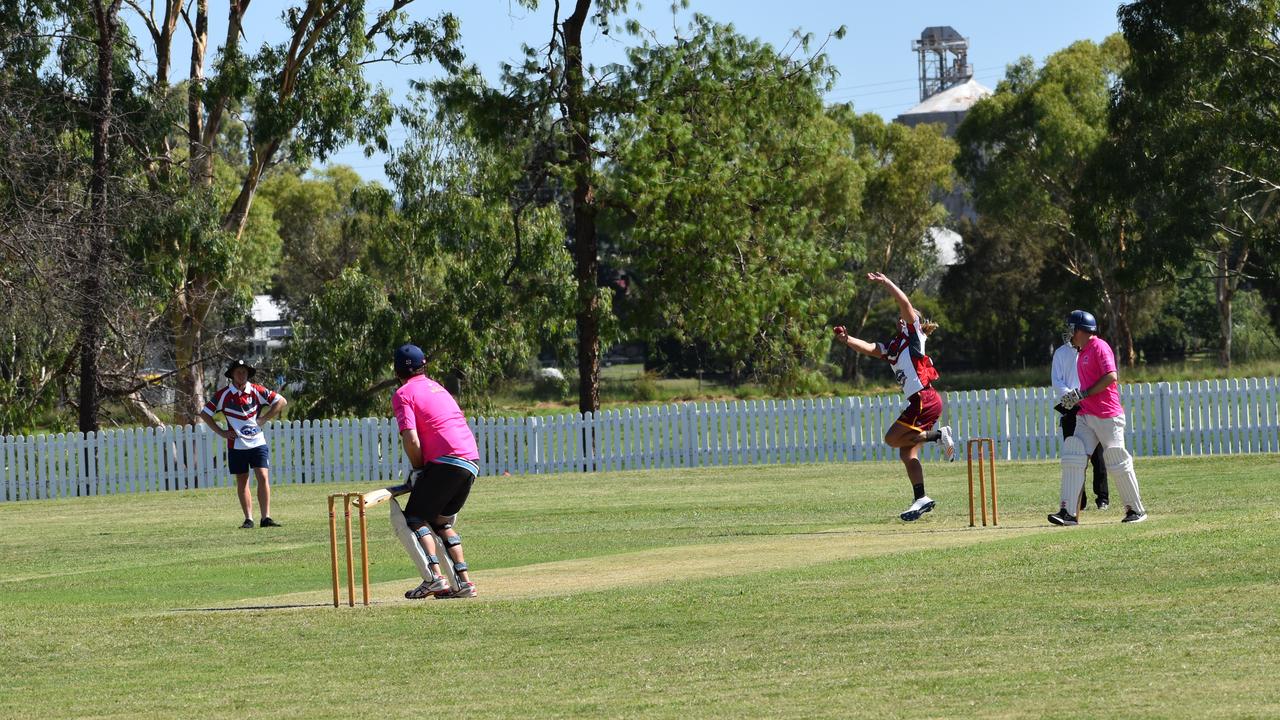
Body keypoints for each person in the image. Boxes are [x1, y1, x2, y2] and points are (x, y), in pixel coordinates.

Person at [834, 272, 956, 521]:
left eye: (905, 317)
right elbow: (868, 348)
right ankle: (921, 497)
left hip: (925, 397)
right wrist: (847, 340)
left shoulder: (914, 336)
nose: (901, 319)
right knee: (906, 453)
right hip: (921, 400)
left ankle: (939, 435)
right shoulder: (893, 347)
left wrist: (887, 283)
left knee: (891, 439)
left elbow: (905, 305)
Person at [391, 343, 480, 599]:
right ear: (424, 365)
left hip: (446, 461)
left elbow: (411, 439)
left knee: (415, 518)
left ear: (397, 370)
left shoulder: (403, 393)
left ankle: (434, 578)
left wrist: (418, 468)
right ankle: (464, 583)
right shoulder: (438, 387)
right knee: (440, 520)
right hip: (470, 459)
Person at [1049, 311, 1148, 525]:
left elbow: (1111, 377)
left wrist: (1084, 393)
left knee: (1115, 459)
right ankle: (1068, 513)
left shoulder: (1100, 347)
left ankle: (1135, 510)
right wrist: (1076, 397)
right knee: (1073, 455)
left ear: (1080, 330)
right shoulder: (1081, 351)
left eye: (1071, 328)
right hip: (1086, 414)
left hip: (1107, 414)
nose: (1069, 333)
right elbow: (1086, 386)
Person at [200, 359, 288, 528]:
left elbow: (281, 401)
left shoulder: (256, 390)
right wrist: (221, 432)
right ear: (232, 375)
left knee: (263, 476)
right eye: (239, 372)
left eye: (245, 372)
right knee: (242, 481)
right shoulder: (223, 395)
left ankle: (266, 518)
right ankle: (249, 519)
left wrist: (264, 418)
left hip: (257, 442)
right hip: (236, 445)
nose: (242, 375)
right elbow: (205, 414)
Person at [1052, 333, 1110, 510]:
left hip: (1091, 406)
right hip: (1071, 407)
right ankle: (1079, 499)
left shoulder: (1091, 351)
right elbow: (1057, 381)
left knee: (1098, 456)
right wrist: (1073, 397)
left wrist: (1087, 397)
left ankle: (1102, 498)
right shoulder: (1061, 353)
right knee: (1075, 454)